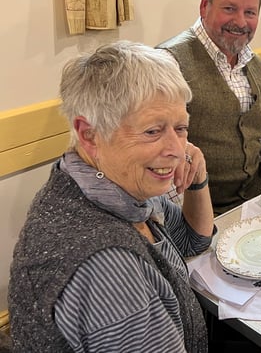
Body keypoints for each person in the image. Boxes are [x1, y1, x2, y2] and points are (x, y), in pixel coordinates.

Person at [9, 41, 215, 351]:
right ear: (89, 134)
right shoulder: (110, 268)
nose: (175, 150)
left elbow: (193, 241)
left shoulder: (108, 186)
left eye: (181, 127)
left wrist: (198, 179)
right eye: (152, 131)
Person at [158, 0, 261, 214]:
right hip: (200, 217)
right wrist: (192, 231)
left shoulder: (258, 67)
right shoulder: (169, 64)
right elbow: (162, 164)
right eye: (229, 9)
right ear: (205, 5)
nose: (241, 22)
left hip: (258, 203)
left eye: (250, 12)